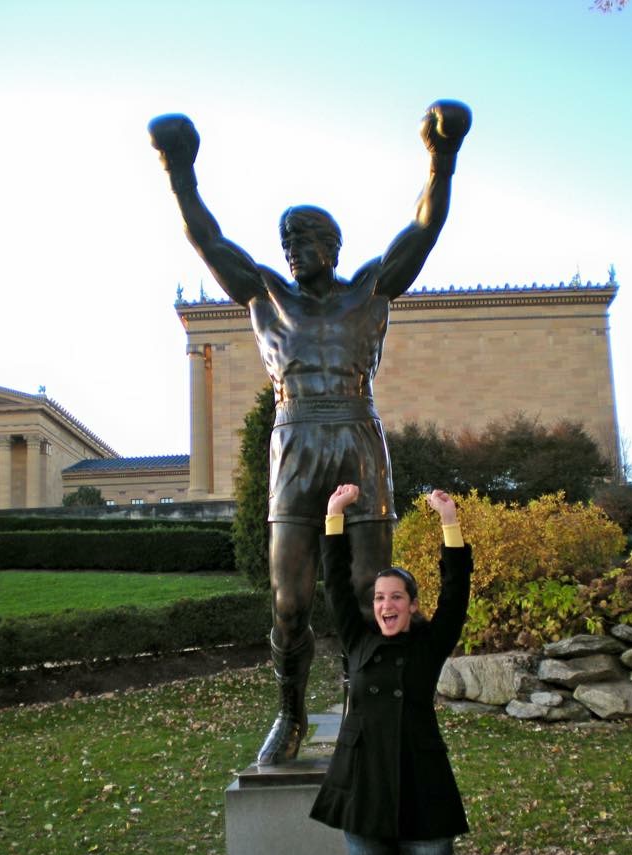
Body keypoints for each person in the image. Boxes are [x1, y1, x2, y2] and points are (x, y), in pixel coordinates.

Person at [148, 102, 472, 764]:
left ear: (333, 245)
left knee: (368, 595)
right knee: (289, 601)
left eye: (303, 239)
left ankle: (363, 712)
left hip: (357, 434)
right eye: (286, 241)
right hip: (293, 443)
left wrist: (442, 155)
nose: (292, 251)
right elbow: (207, 240)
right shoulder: (267, 294)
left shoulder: (370, 289)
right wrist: (179, 170)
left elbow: (424, 226)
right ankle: (290, 715)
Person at [310, 483, 472, 855]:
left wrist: (449, 522)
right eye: (380, 597)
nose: (386, 605)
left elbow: (457, 591)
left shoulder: (430, 642)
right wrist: (334, 515)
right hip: (365, 798)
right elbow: (336, 582)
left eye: (397, 597)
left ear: (412, 604)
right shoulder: (358, 642)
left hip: (423, 795)